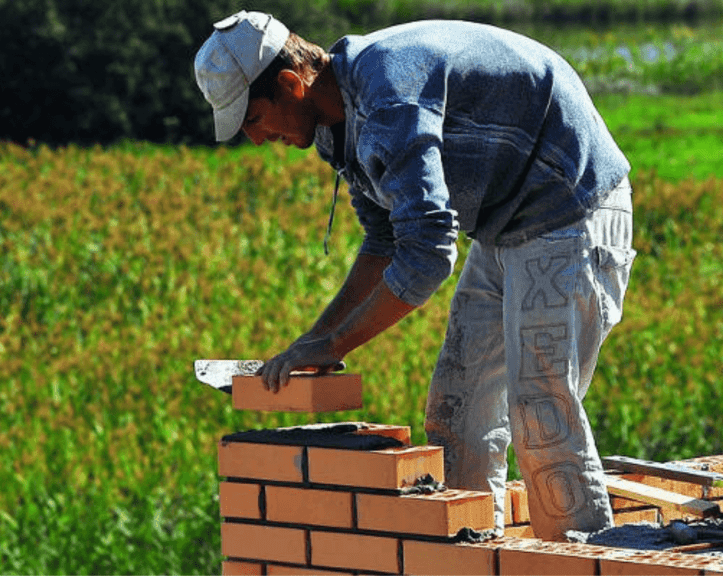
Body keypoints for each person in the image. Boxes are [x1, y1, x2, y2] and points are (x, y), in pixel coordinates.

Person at [194, 11, 636, 541]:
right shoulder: (340, 127)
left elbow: (427, 255)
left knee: (541, 412)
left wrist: (334, 342)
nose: (258, 139)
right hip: (504, 221)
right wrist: (314, 341)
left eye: (253, 120)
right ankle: (473, 556)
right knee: (457, 413)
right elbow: (386, 241)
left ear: (291, 84)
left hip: (567, 202)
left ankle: (581, 560)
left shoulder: (388, 97)